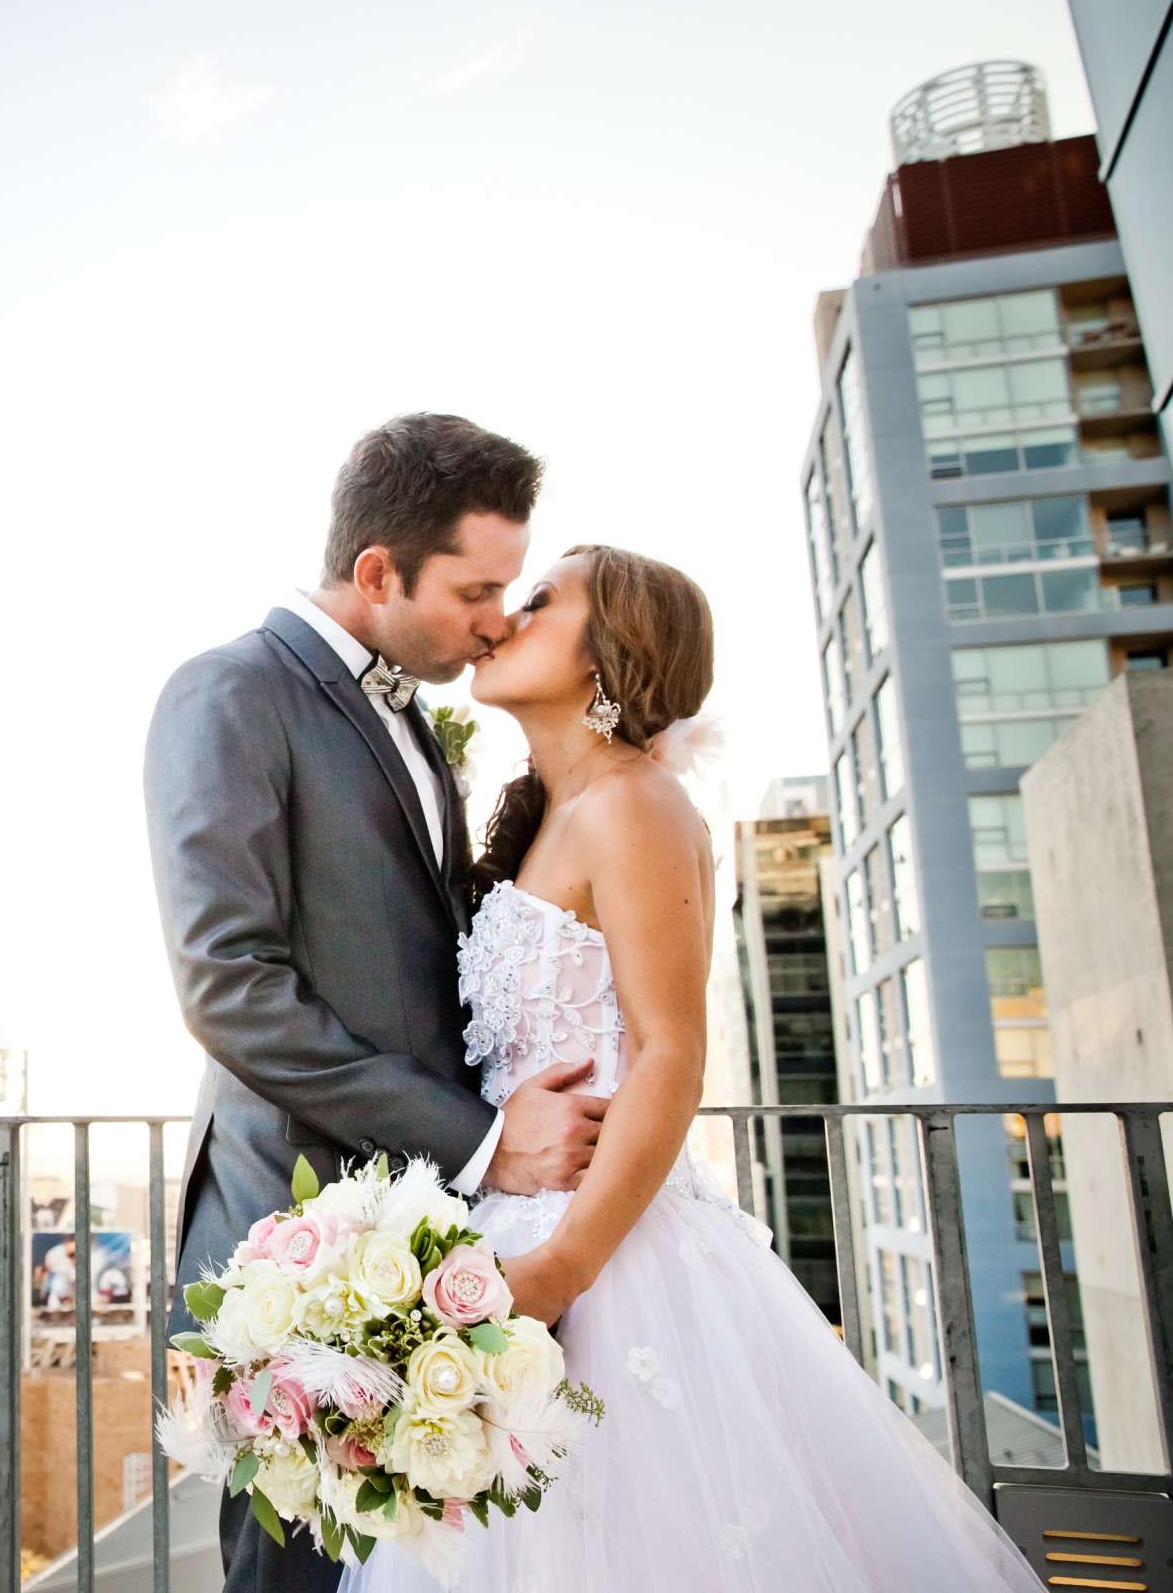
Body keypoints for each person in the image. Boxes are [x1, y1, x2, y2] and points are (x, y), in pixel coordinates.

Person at [340, 546, 1042, 1591]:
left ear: (610, 652)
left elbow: (671, 1051)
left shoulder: (635, 803)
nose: (502, 618)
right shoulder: (549, 817)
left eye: (539, 600)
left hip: (607, 1258)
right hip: (511, 1223)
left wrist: (566, 1267)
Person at [144, 414, 605, 1593]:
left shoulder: (415, 718)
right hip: (289, 1233)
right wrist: (489, 1143)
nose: (497, 617)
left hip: (427, 1231)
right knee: (294, 1577)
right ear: (376, 573)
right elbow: (230, 988)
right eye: (477, 588)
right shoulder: (229, 692)